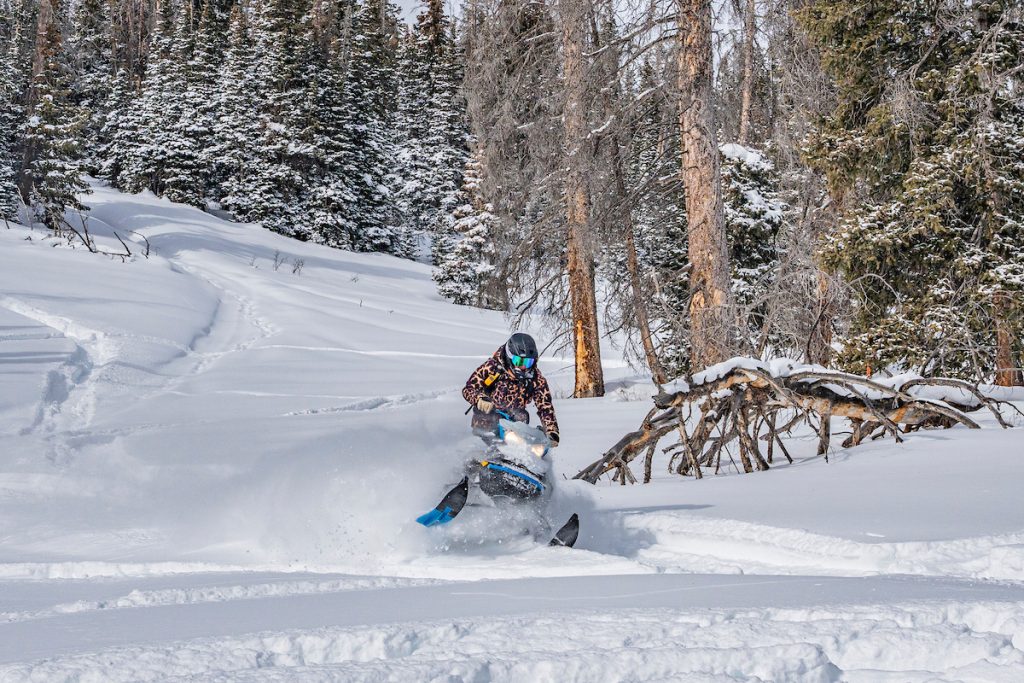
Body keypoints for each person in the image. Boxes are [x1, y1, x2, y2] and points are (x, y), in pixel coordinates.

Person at [462, 333, 560, 446]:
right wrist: (479, 399)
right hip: (486, 425)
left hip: (515, 429)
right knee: (481, 447)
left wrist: (551, 430)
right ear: (509, 356)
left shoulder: (535, 377)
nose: (523, 366)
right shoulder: (492, 368)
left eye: (528, 362)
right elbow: (469, 388)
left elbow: (545, 406)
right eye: (519, 361)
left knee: (533, 449)